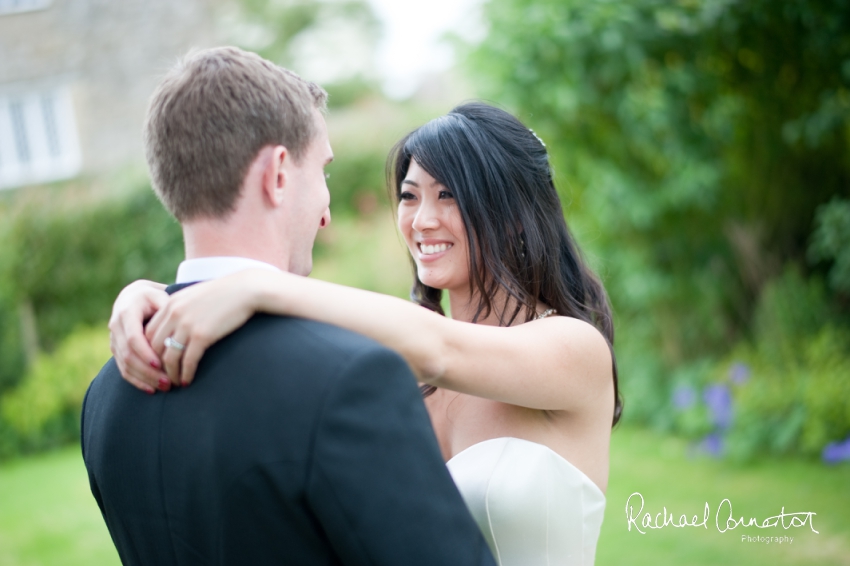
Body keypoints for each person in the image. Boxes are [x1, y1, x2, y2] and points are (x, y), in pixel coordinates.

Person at [112, 102, 623, 565]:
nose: (422, 219)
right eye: (409, 196)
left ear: (514, 214)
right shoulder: (393, 359)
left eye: (448, 195)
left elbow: (440, 350)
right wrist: (157, 294)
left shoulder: (575, 349)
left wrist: (256, 287)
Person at [81, 46, 496, 566]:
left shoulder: (108, 394)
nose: (326, 212)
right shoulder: (349, 381)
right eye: (321, 170)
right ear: (278, 173)